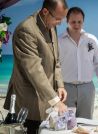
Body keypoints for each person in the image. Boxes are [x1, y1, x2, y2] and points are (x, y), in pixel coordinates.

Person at [3, 0, 68, 133]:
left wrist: (60, 84)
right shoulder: (26, 30)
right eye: (58, 19)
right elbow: (34, 70)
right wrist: (55, 101)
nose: (60, 23)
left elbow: (56, 60)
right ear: (45, 12)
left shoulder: (51, 24)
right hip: (29, 102)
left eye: (62, 19)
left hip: (46, 100)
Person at [58, 7, 98, 119]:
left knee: (86, 123)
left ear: (83, 22)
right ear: (67, 21)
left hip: (87, 88)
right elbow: (55, 65)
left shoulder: (91, 39)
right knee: (65, 123)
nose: (76, 25)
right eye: (73, 22)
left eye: (79, 22)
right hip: (66, 88)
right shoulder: (59, 40)